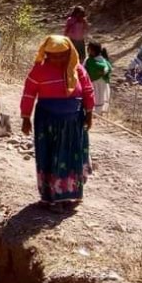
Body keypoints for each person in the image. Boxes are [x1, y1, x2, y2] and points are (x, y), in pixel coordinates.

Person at [20, 35, 95, 209]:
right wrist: (25, 117)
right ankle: (52, 198)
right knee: (51, 156)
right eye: (54, 55)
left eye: (63, 55)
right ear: (46, 54)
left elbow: (88, 91)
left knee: (71, 156)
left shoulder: (77, 69)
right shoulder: (39, 70)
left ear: (70, 52)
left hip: (73, 121)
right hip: (48, 121)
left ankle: (72, 193)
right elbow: (29, 93)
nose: (59, 59)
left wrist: (89, 114)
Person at [84, 41, 112, 114]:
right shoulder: (103, 60)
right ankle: (98, 112)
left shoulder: (89, 61)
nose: (88, 50)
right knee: (100, 97)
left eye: (89, 49)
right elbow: (107, 69)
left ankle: (94, 112)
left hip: (94, 83)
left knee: (95, 97)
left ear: (92, 50)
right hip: (102, 83)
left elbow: (85, 70)